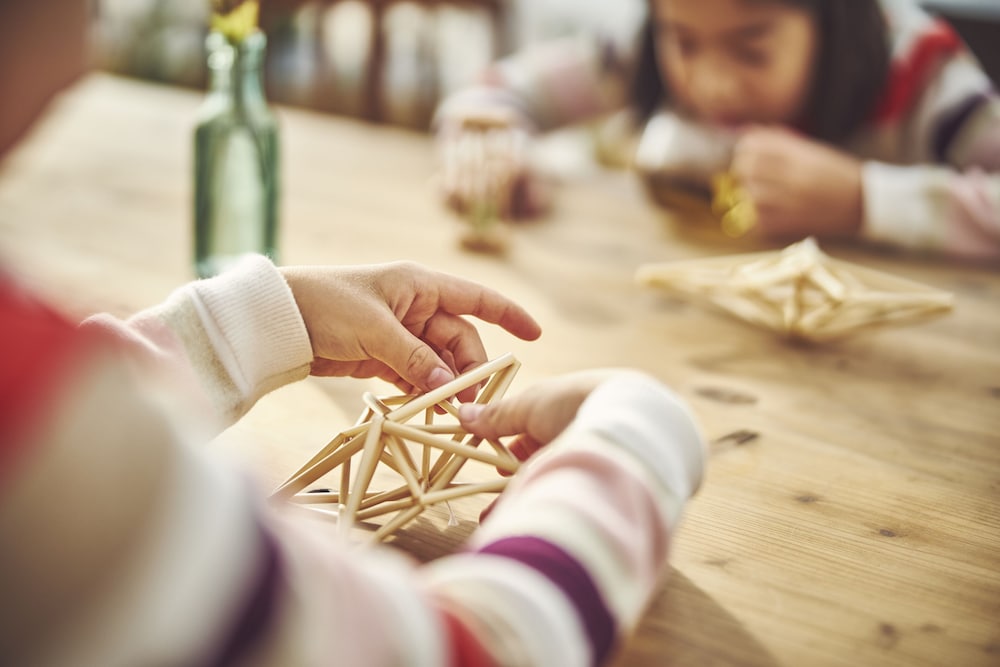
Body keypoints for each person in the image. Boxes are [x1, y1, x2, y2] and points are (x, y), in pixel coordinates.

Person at [0, 3, 708, 665]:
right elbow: (482, 646)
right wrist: (637, 437)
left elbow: (98, 394)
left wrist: (276, 313)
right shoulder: (39, 443)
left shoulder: (44, 397)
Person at [435, 0, 1000, 262]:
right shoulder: (643, 46)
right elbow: (491, 92)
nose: (711, 84)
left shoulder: (923, 73)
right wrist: (495, 148)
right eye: (683, 43)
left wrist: (863, 198)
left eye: (751, 50)